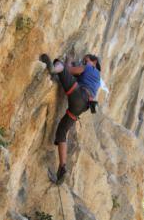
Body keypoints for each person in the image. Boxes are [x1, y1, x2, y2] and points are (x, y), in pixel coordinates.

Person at [40, 53, 101, 184]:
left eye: (86, 60)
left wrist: (69, 60)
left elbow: (69, 70)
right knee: (62, 131)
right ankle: (62, 167)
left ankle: (53, 68)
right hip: (82, 106)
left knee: (59, 64)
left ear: (94, 62)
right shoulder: (97, 79)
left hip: (78, 94)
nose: (83, 62)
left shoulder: (90, 68)